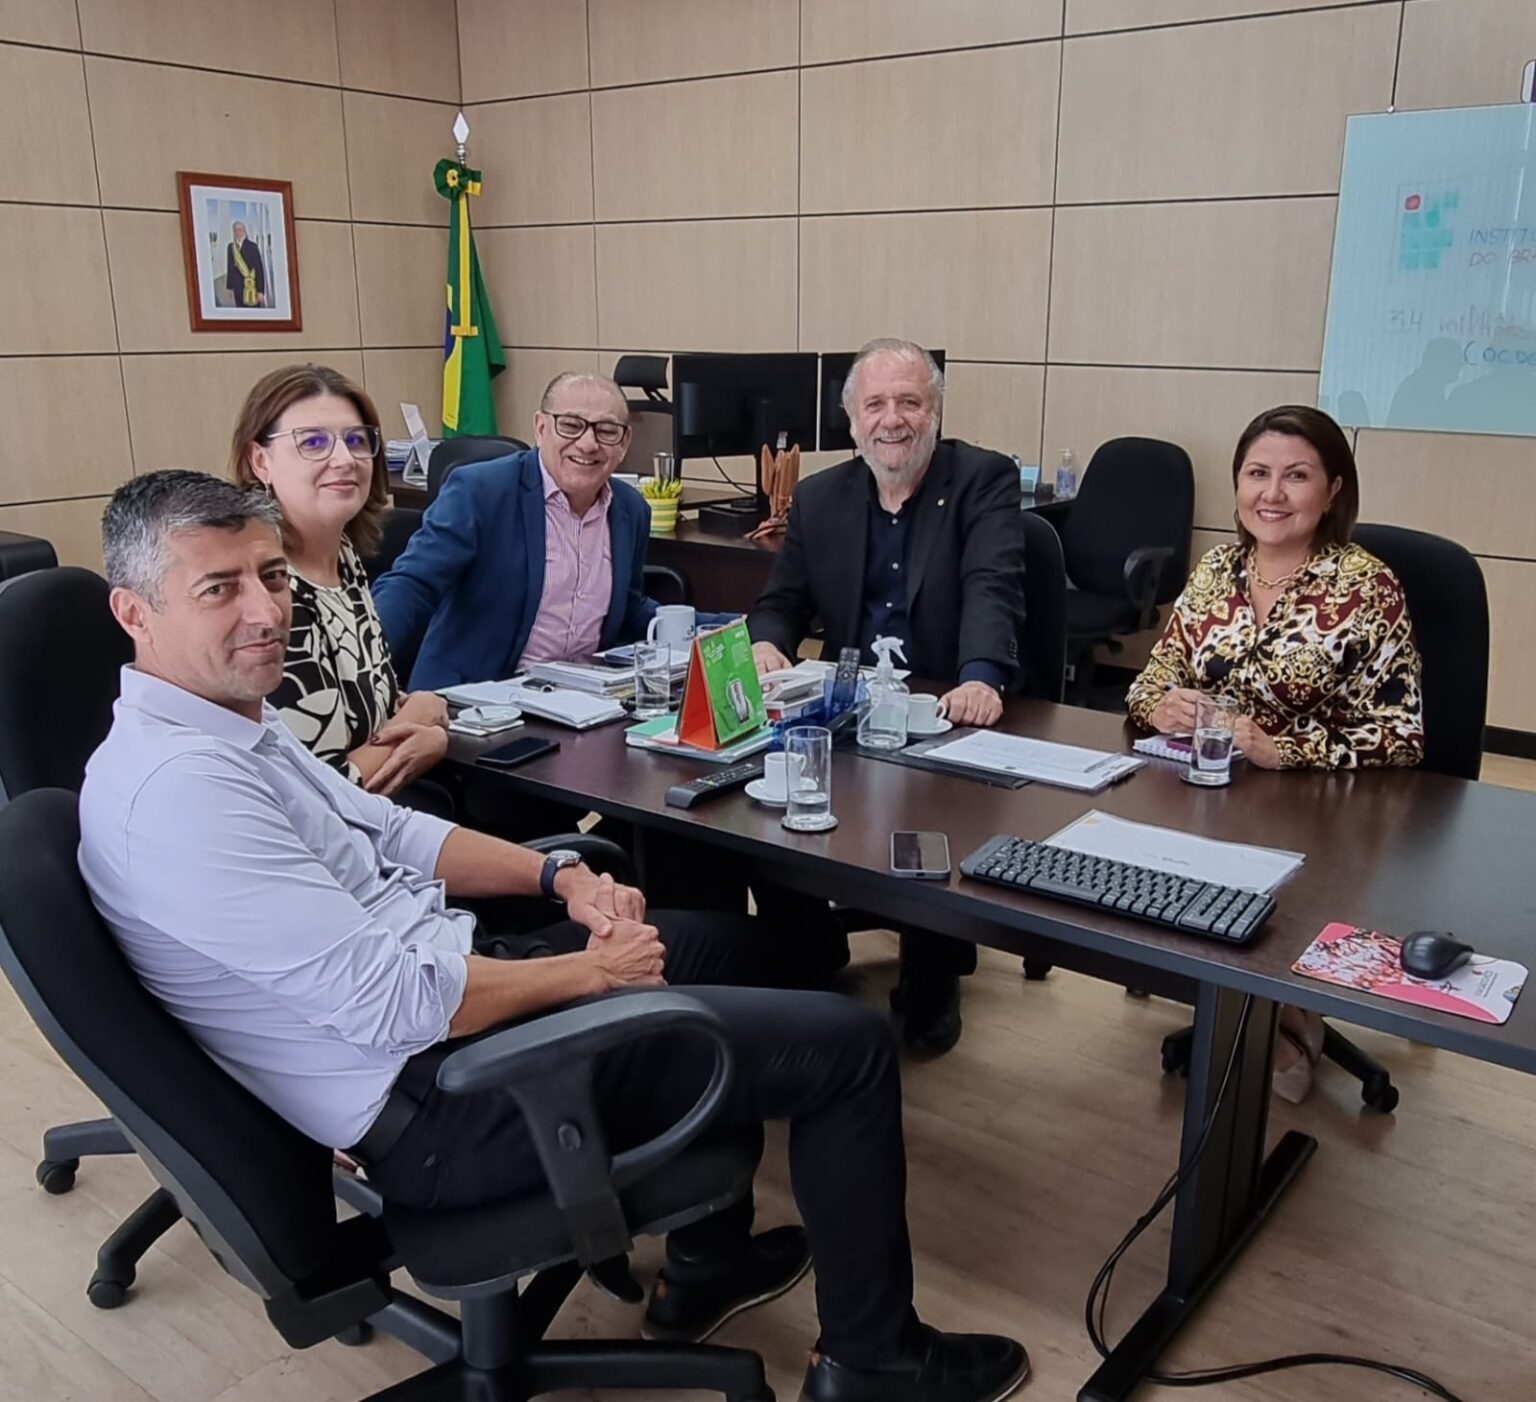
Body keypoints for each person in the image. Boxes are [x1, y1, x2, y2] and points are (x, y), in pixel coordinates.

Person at [78, 471, 1029, 1402]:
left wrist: (557, 875)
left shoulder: (227, 722)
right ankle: (876, 1362)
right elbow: (393, 1004)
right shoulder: (186, 792)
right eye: (220, 588)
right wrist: (590, 975)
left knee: (751, 952)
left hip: (453, 995)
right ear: (135, 614)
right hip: (444, 1096)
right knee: (853, 1049)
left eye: (272, 577)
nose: (265, 611)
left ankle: (708, 1261)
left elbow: (398, 832)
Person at [1126, 404, 1424, 1103]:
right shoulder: (1215, 571)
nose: (1273, 494)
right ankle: (1242, 992)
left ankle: (1290, 1010)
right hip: (1210, 796)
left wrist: (1283, 749)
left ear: (1334, 492)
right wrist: (1160, 703)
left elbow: (1401, 733)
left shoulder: (1366, 585)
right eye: (1258, 474)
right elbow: (1151, 676)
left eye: (1296, 476)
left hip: (1324, 812)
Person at [747, 338, 1026, 1053]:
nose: (892, 419)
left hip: (944, 709)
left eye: (909, 402)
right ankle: (810, 950)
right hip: (848, 710)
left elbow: (991, 584)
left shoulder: (982, 479)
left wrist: (982, 675)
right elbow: (781, 600)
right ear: (851, 420)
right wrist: (765, 641)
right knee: (762, 803)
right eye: (876, 404)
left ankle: (932, 977)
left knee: (930, 825)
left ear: (934, 411)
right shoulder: (819, 496)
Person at [230, 363, 449, 798]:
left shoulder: (344, 556)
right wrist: (416, 724)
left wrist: (428, 728)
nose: (344, 459)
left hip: (382, 820)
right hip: (312, 844)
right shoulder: (264, 592)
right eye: (313, 442)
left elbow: (372, 708)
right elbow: (319, 790)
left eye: (356, 441)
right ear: (260, 461)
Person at [374, 373, 662, 692]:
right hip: (474, 702)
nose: (588, 443)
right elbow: (414, 583)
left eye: (606, 431)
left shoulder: (630, 508)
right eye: (570, 425)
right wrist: (364, 657)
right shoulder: (479, 491)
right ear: (540, 428)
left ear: (624, 443)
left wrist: (712, 627)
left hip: (581, 702)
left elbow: (629, 607)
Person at [225, 221, 266, 309]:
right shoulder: (230, 247)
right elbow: (230, 268)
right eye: (235, 230)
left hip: (252, 287)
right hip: (237, 288)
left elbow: (259, 269)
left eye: (240, 230)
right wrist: (229, 288)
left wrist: (260, 291)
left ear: (245, 231)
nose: (237, 233)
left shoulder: (253, 246)